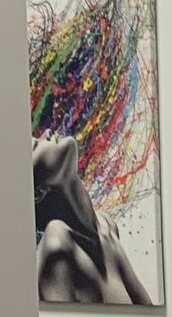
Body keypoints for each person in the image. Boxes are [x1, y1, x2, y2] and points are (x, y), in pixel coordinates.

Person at [32, 129, 152, 307]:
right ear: (37, 193)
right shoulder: (57, 243)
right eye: (35, 146)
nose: (47, 133)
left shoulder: (107, 226)